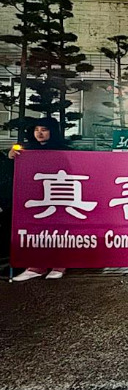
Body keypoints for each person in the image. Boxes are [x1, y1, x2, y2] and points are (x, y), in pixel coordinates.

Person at [8, 118, 70, 281]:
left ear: (53, 132)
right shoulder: (26, 151)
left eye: (44, 129)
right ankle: (35, 266)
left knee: (57, 232)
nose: (40, 133)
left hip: (56, 196)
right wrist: (12, 158)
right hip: (34, 196)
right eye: (37, 130)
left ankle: (59, 265)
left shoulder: (63, 150)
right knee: (35, 231)